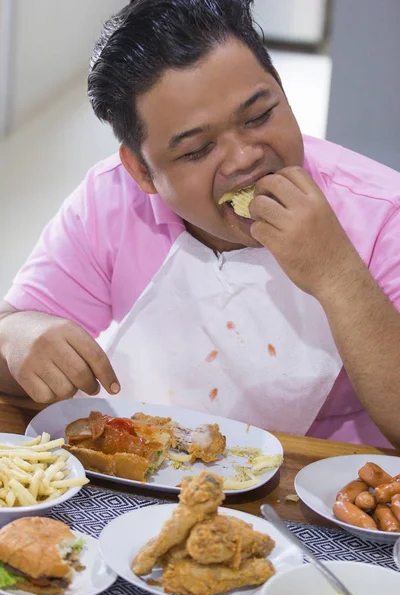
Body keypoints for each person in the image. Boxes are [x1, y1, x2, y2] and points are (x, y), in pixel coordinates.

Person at [1, 0, 400, 449]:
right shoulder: (112, 200)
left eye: (260, 116)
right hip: (147, 464)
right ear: (142, 172)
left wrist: (337, 275)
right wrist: (19, 337)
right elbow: (13, 331)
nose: (245, 158)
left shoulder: (382, 211)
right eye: (196, 150)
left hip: (316, 487)